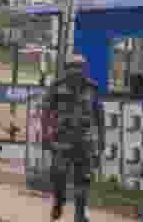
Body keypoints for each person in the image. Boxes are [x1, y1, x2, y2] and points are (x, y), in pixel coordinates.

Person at [42, 54, 102, 222]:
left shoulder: (92, 88)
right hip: (61, 140)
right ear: (66, 69)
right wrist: (46, 133)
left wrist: (101, 140)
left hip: (84, 141)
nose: (76, 71)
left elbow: (99, 115)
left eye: (79, 68)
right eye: (72, 67)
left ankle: (80, 214)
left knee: (82, 179)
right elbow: (46, 112)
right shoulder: (57, 86)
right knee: (59, 177)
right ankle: (59, 202)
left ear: (84, 70)